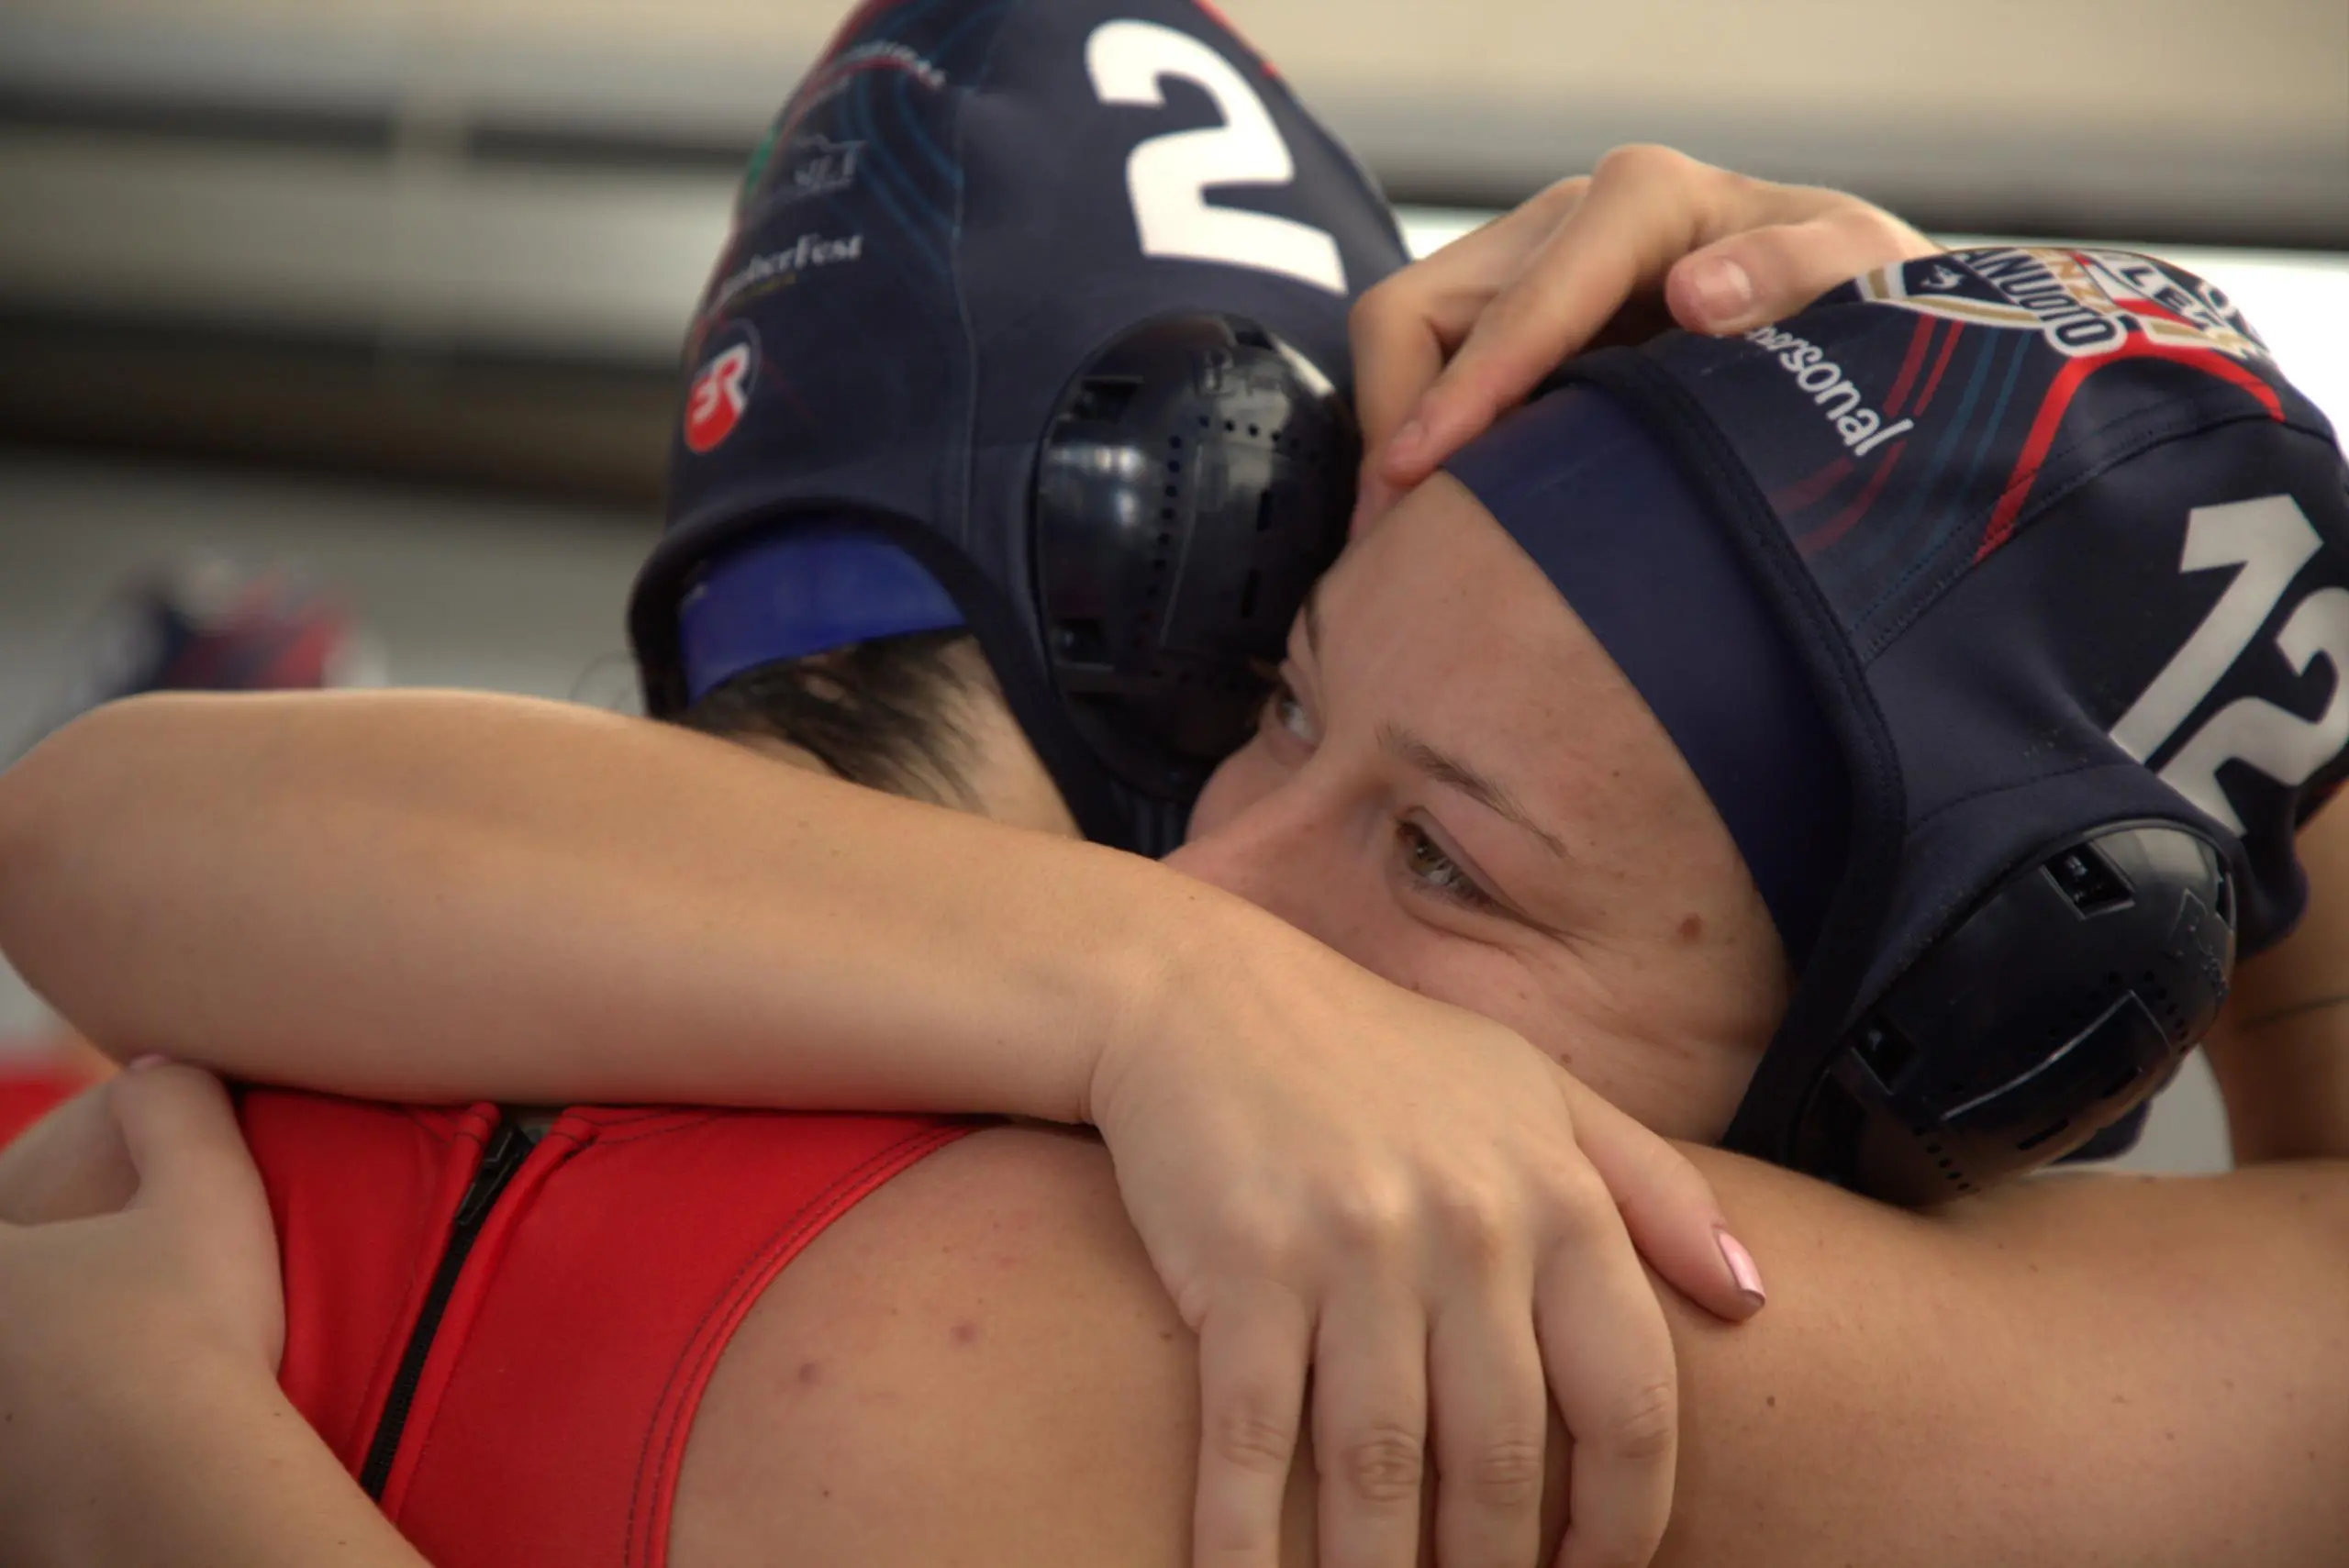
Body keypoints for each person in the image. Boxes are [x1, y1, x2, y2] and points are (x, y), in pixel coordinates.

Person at [12, 239, 2349, 1568]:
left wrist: (151, 1464)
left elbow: (104, 832)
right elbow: (93, 831)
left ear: (1921, 1053)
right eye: (1279, 703)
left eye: (1443, 860)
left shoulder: (1609, 1321)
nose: (1218, 872)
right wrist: (2122, 487)